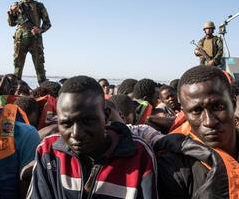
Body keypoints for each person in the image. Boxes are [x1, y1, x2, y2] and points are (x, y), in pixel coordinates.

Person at [155, 65, 239, 198]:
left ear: (233, 104)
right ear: (184, 113)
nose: (209, 121)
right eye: (196, 111)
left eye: (218, 106)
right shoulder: (172, 169)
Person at [28, 76, 157, 198]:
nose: (76, 134)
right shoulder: (48, 151)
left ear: (106, 117)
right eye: (66, 124)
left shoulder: (139, 155)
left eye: (87, 121)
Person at [8, 0, 51, 84]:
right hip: (20, 39)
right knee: (17, 67)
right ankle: (15, 89)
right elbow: (11, 23)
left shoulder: (39, 6)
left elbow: (48, 23)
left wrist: (40, 30)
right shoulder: (16, 6)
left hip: (35, 39)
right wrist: (10, 13)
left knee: (40, 67)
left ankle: (43, 88)